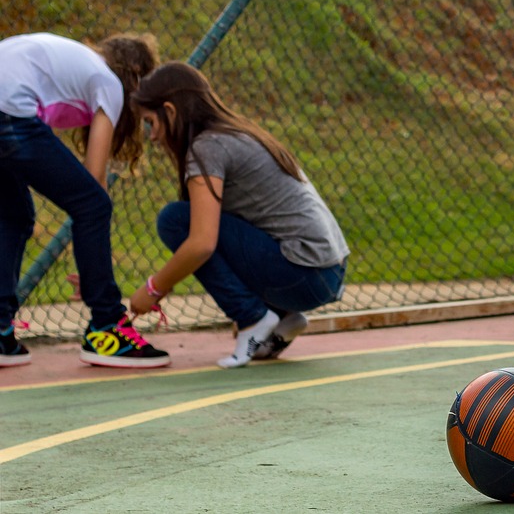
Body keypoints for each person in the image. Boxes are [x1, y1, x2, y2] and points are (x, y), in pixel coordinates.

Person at [128, 62, 349, 368]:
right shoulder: (237, 133)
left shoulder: (208, 147)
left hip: (305, 274)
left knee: (175, 220)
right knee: (197, 219)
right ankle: (284, 318)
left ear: (171, 110)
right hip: (328, 273)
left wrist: (153, 289)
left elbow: (202, 243)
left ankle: (252, 319)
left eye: (151, 122)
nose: (151, 136)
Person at [0, 31, 170, 369]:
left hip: (8, 104)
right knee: (93, 205)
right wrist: (94, 266)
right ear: (135, 79)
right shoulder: (107, 82)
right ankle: (107, 326)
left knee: (14, 215)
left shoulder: (75, 64)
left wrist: (92, 262)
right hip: (9, 108)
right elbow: (94, 181)